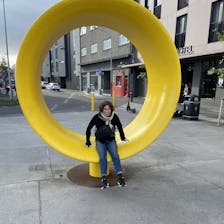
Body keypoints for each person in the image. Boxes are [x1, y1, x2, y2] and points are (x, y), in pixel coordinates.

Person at [85, 100, 128, 189]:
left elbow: (119, 126)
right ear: (102, 109)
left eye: (108, 109)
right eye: (105, 109)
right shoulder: (97, 117)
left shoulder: (114, 117)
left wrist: (123, 137)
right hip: (100, 141)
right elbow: (89, 128)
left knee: (115, 156)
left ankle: (120, 177)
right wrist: (87, 140)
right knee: (102, 158)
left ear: (111, 109)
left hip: (111, 140)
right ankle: (104, 178)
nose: (107, 111)